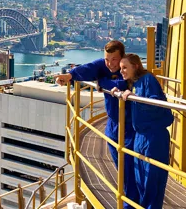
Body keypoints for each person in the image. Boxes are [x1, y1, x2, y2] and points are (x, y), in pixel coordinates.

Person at [55, 40, 138, 208]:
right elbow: (89, 68)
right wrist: (69, 76)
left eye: (114, 59)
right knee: (121, 169)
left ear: (122, 57)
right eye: (107, 59)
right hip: (113, 126)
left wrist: (102, 83)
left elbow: (122, 84)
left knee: (129, 168)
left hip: (131, 127)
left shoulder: (127, 68)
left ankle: (130, 204)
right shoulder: (105, 66)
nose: (110, 64)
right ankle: (128, 200)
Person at [113, 53, 173, 209]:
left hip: (154, 137)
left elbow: (157, 104)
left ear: (136, 66)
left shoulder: (148, 79)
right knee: (141, 181)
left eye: (125, 67)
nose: (122, 71)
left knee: (152, 183)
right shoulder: (134, 83)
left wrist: (135, 97)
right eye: (121, 68)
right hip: (140, 137)